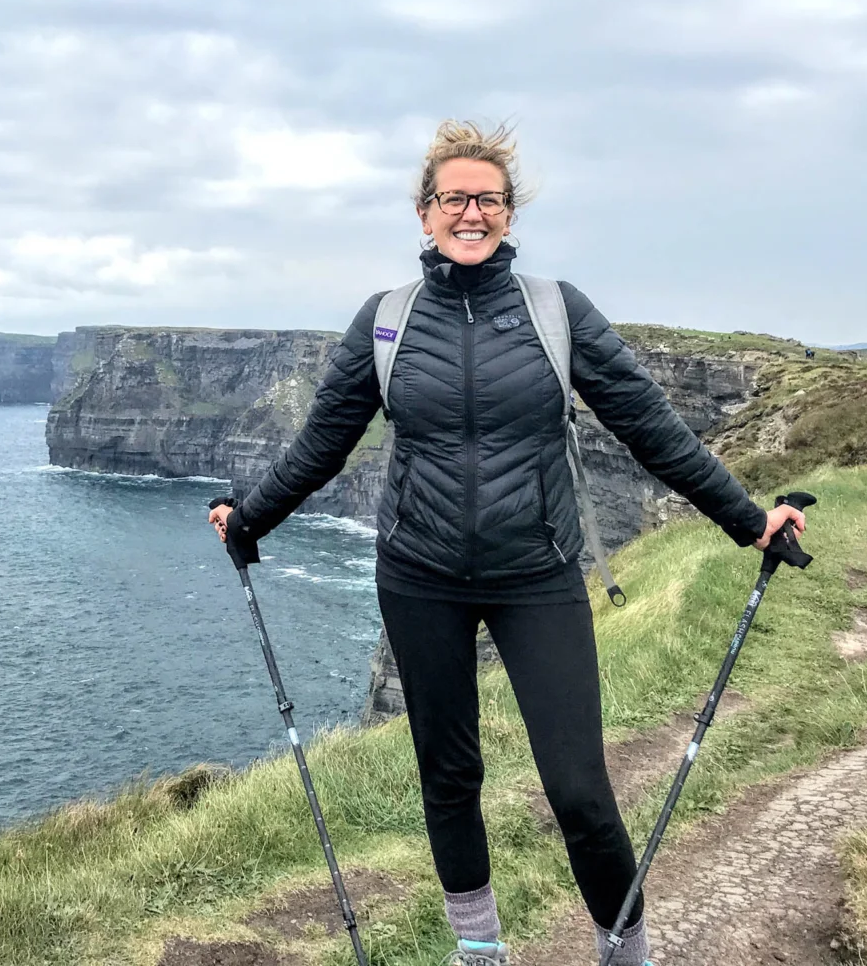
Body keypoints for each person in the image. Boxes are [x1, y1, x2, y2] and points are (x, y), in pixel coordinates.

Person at [208, 121, 805, 966]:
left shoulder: (557, 313)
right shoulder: (385, 323)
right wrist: (251, 518)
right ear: (425, 214)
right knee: (450, 779)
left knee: (580, 790)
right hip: (419, 578)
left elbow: (651, 427)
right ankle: (480, 949)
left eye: (488, 198)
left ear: (510, 213)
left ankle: (626, 952)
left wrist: (750, 519)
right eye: (455, 197)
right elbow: (321, 442)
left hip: (538, 574)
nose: (472, 212)